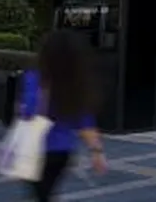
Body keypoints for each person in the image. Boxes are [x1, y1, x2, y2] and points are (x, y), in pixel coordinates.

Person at [20, 31, 106, 201]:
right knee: (47, 192)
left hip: (37, 149)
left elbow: (29, 112)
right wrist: (97, 152)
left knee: (40, 194)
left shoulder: (34, 78)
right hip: (63, 150)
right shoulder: (76, 84)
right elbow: (85, 122)